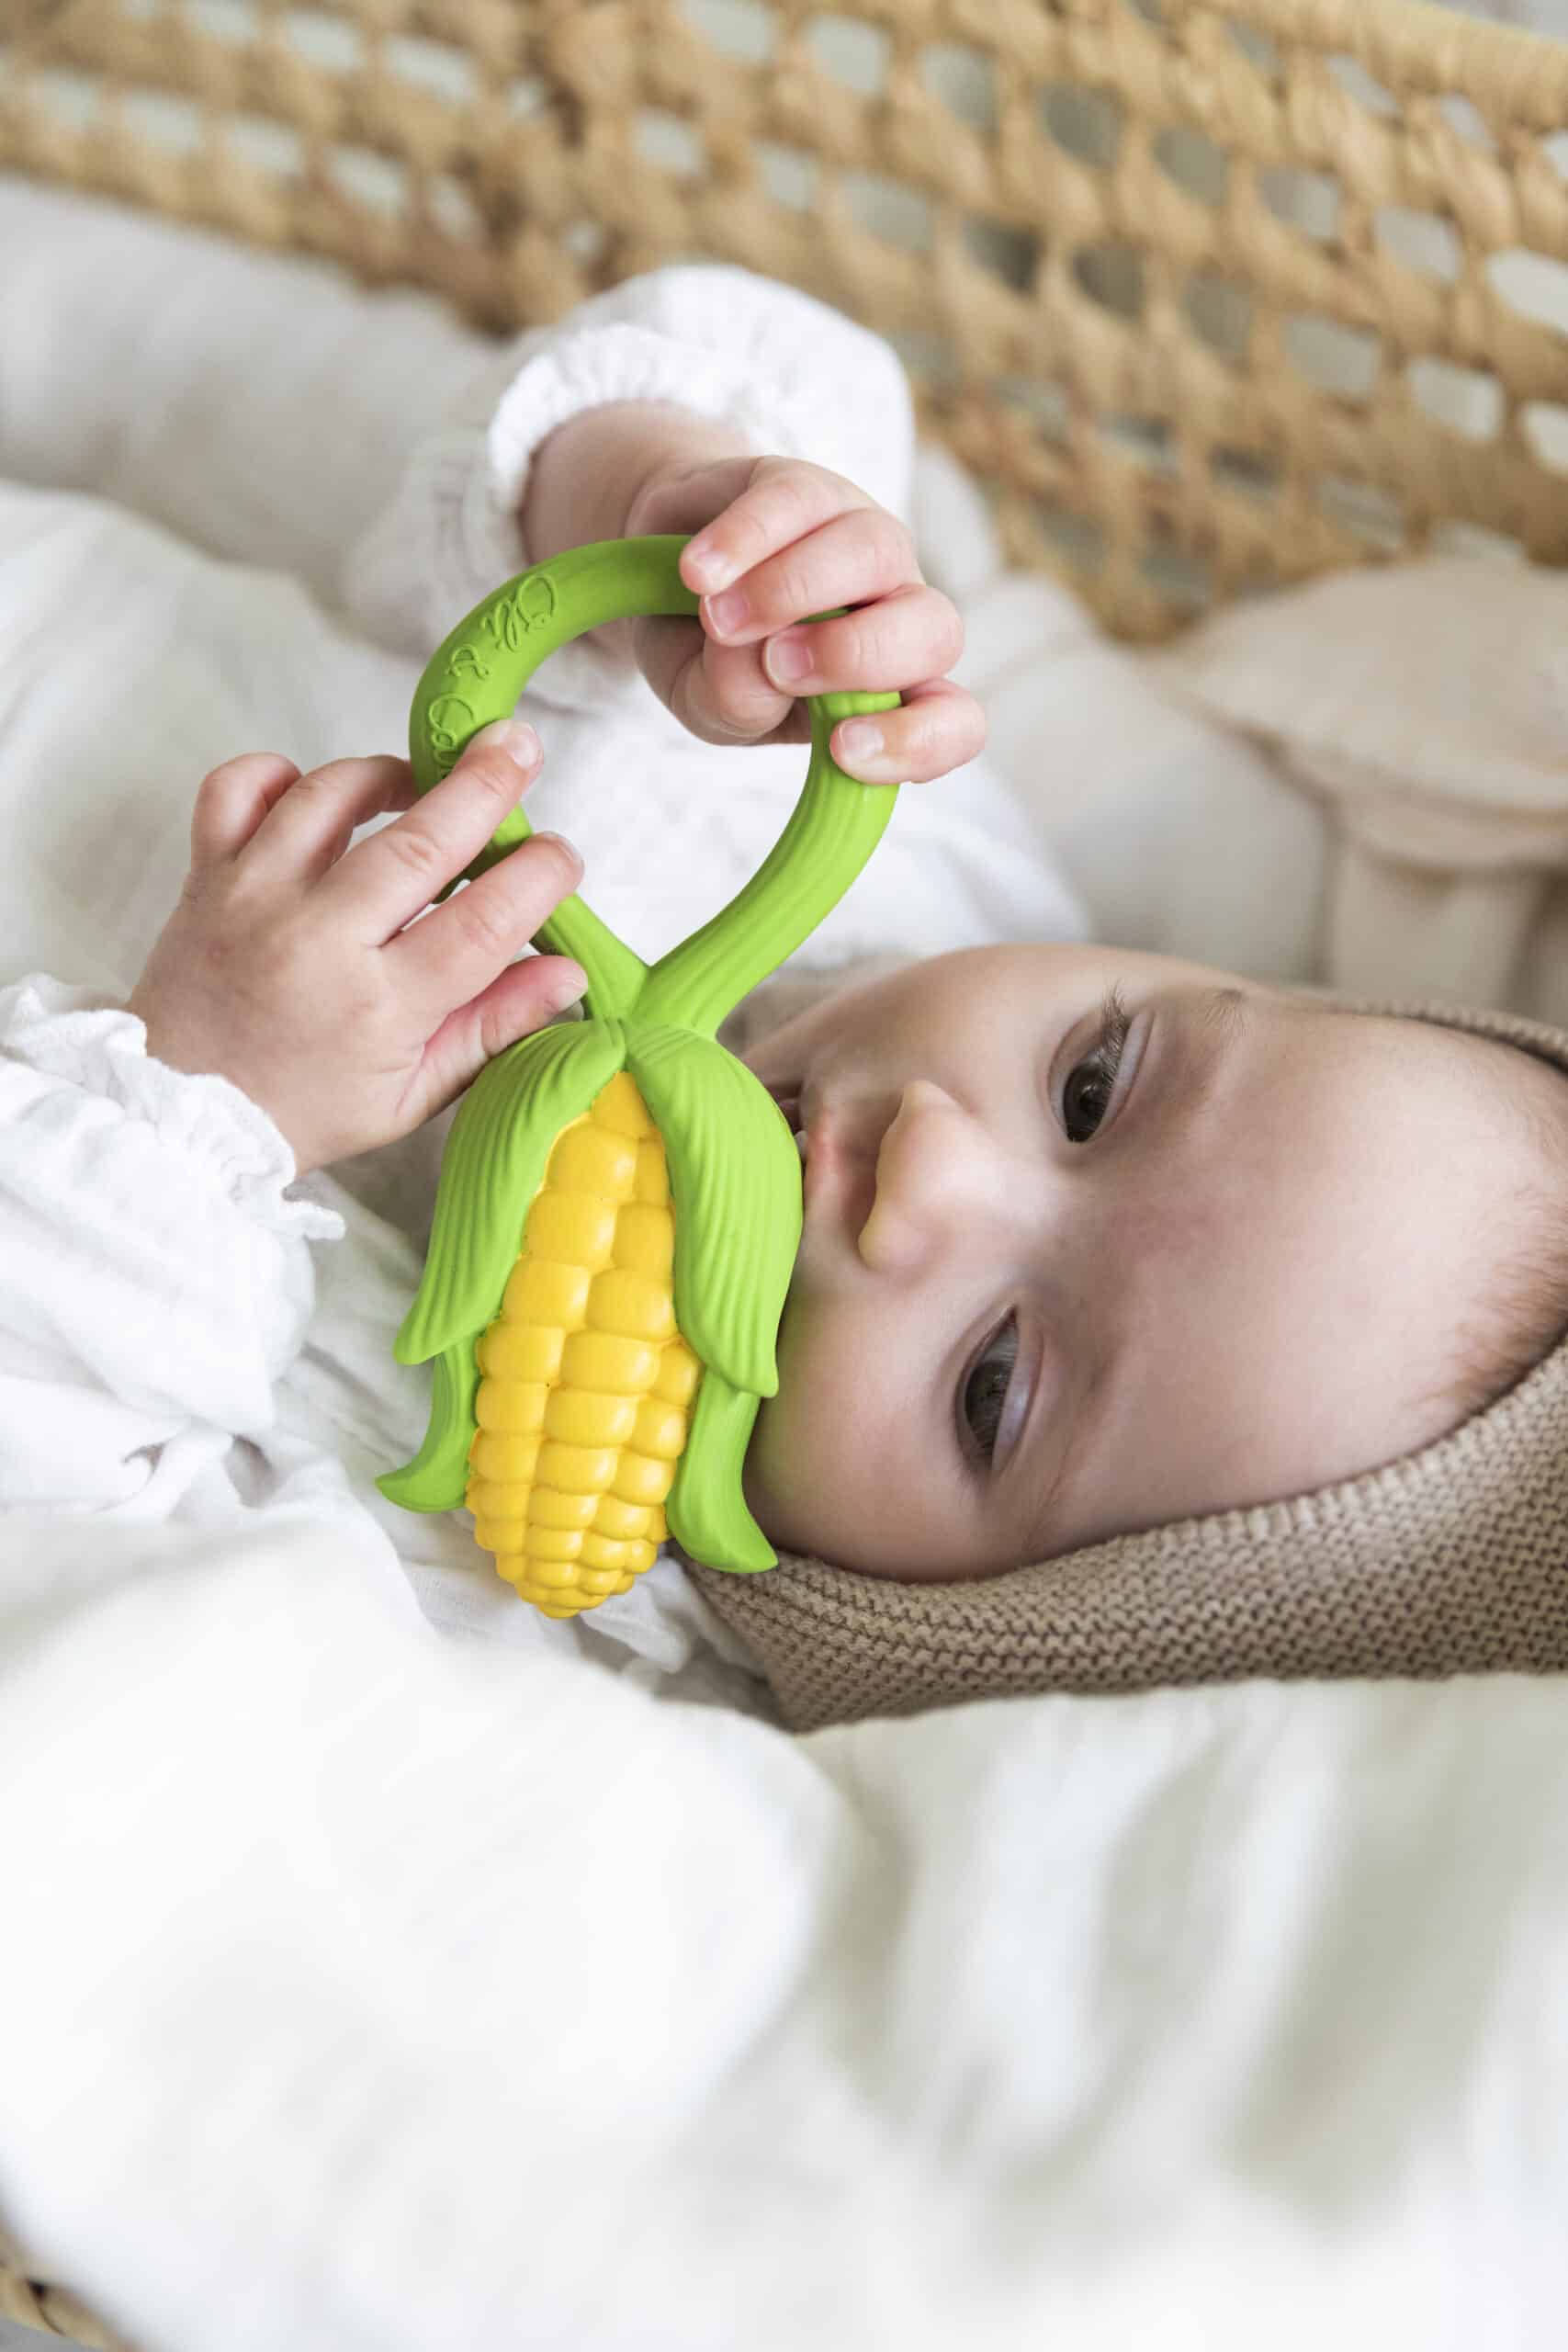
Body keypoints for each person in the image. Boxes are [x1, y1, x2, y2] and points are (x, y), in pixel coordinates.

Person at [6, 187, 1568, 1734]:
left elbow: (71, 1545)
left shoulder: (491, 1584)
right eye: (1093, 1088)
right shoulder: (896, 817)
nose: (931, 1170)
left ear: (918, 1633)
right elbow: (470, 506)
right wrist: (668, 518)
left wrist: (200, 1107)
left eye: (995, 1387)